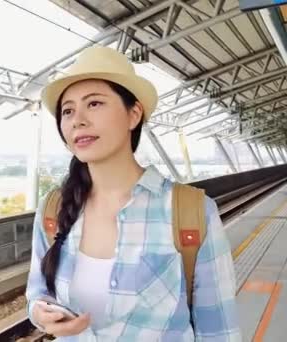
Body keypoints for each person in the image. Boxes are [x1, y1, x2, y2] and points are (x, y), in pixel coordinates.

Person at [25, 46, 241, 341]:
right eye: (68, 111)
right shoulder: (53, 208)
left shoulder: (192, 212)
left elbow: (219, 332)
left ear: (134, 114)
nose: (78, 120)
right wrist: (40, 312)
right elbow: (38, 292)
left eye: (95, 104)